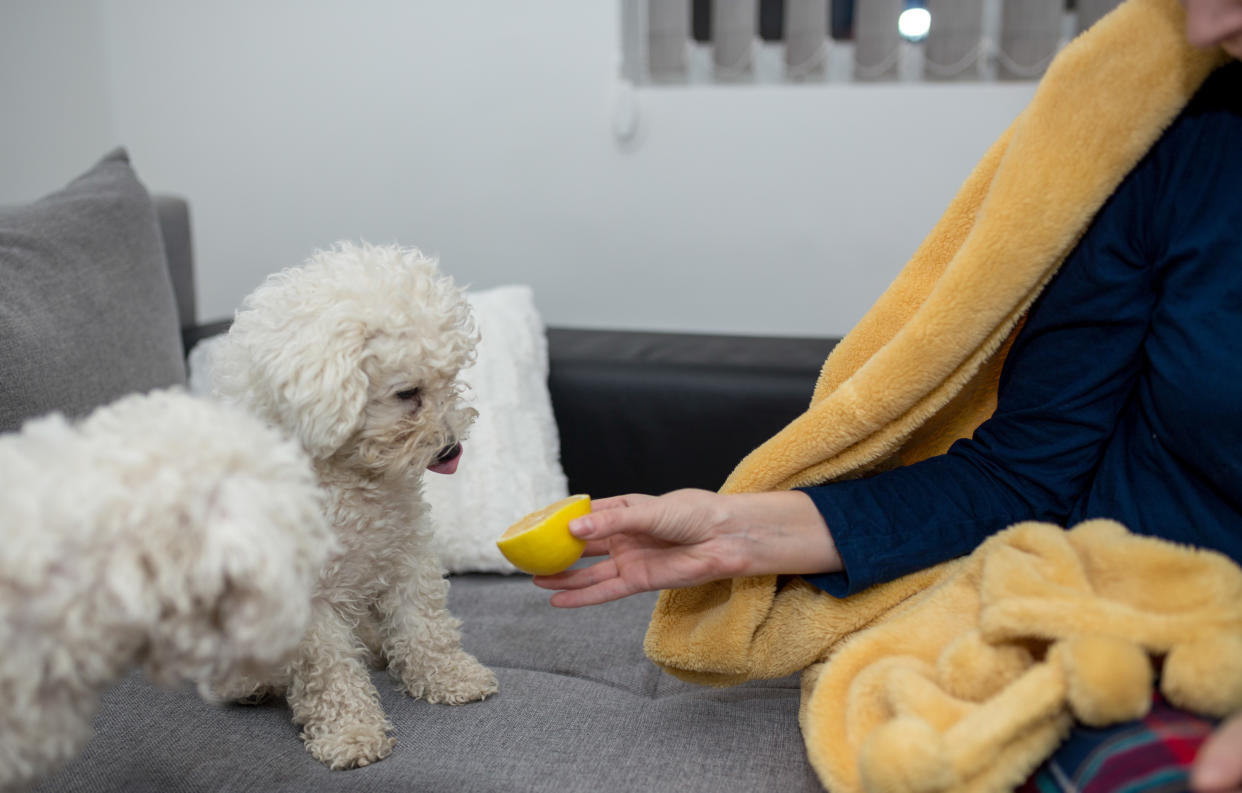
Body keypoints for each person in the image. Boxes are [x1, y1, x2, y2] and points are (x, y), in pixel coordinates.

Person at [533, 1, 1242, 790]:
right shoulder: (1179, 146)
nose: (1208, 24)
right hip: (1129, 615)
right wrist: (736, 532)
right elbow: (1019, 475)